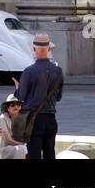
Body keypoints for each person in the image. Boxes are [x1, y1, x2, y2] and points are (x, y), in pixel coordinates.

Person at [14, 32, 63, 161]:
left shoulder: (28, 71)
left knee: (34, 154)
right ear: (49, 49)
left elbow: (21, 97)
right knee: (50, 154)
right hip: (51, 118)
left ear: (34, 49)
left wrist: (17, 88)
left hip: (33, 120)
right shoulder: (58, 71)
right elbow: (58, 97)